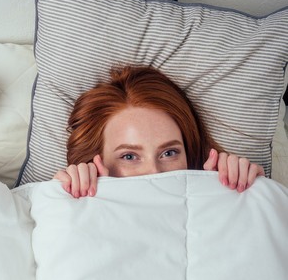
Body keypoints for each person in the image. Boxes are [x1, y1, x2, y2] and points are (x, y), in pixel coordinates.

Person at [55, 65, 264, 198]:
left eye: (169, 153)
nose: (155, 172)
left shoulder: (219, 194)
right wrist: (65, 201)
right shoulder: (69, 208)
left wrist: (232, 197)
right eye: (129, 156)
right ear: (96, 162)